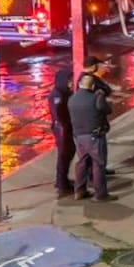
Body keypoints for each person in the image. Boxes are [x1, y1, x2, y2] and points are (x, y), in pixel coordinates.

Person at [69, 74, 115, 201]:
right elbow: (107, 110)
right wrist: (100, 96)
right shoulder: (96, 98)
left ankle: (79, 191)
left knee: (82, 163)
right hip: (94, 135)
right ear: (93, 86)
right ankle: (100, 194)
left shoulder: (72, 99)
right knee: (98, 164)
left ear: (79, 85)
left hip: (78, 136)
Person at [79, 56, 115, 174]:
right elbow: (107, 90)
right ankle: (96, 174)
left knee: (98, 150)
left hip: (89, 122)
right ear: (94, 66)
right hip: (94, 121)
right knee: (96, 150)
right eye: (98, 66)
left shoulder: (85, 78)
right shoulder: (90, 79)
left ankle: (99, 170)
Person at [48, 67, 76, 197]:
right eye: (69, 80)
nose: (71, 83)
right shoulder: (57, 95)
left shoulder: (65, 93)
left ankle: (63, 179)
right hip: (62, 129)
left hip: (66, 127)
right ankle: (61, 182)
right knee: (64, 155)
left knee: (68, 153)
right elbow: (58, 114)